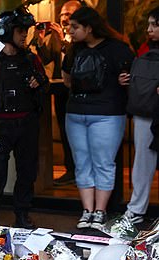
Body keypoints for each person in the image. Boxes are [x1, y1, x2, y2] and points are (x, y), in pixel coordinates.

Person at [62, 6, 134, 229]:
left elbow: (131, 75)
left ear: (89, 28)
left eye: (75, 27)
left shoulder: (117, 49)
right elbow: (65, 78)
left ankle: (100, 211)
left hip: (107, 115)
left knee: (103, 163)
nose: (70, 31)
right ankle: (87, 211)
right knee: (82, 163)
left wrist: (126, 80)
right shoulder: (74, 50)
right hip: (75, 114)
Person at [0, 7, 49, 229]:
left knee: (27, 171)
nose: (25, 35)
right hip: (0, 126)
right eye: (20, 31)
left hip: (27, 124)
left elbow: (44, 85)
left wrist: (39, 83)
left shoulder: (31, 59)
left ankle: (22, 214)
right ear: (6, 31)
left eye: (26, 31)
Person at [30, 0, 82, 187]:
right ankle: (70, 169)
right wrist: (41, 39)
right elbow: (46, 59)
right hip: (60, 89)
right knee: (65, 130)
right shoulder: (57, 36)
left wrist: (63, 40)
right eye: (62, 15)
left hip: (78, 91)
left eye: (69, 14)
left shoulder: (79, 38)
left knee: (77, 133)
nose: (64, 18)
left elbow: (73, 60)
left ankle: (80, 170)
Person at [122, 7, 159, 225]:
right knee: (142, 162)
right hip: (147, 111)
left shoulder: (145, 50)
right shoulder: (145, 49)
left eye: (155, 24)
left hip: (146, 112)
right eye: (149, 24)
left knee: (142, 161)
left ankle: (135, 210)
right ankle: (135, 209)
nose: (149, 29)